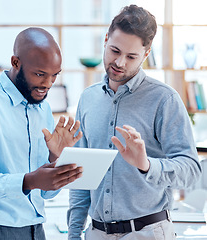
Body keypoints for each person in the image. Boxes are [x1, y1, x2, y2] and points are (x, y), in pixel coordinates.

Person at [67, 5, 202, 240]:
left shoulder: (164, 99)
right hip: (96, 233)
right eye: (114, 50)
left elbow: (191, 171)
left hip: (147, 233)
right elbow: (81, 177)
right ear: (106, 39)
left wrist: (147, 165)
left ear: (147, 54)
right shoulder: (87, 99)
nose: (119, 62)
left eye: (131, 57)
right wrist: (73, 233)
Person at [0, 27, 84, 240]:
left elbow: (45, 193)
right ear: (15, 62)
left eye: (54, 76)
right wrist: (28, 181)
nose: (48, 84)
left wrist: (56, 159)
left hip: (35, 229)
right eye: (40, 74)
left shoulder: (41, 108)